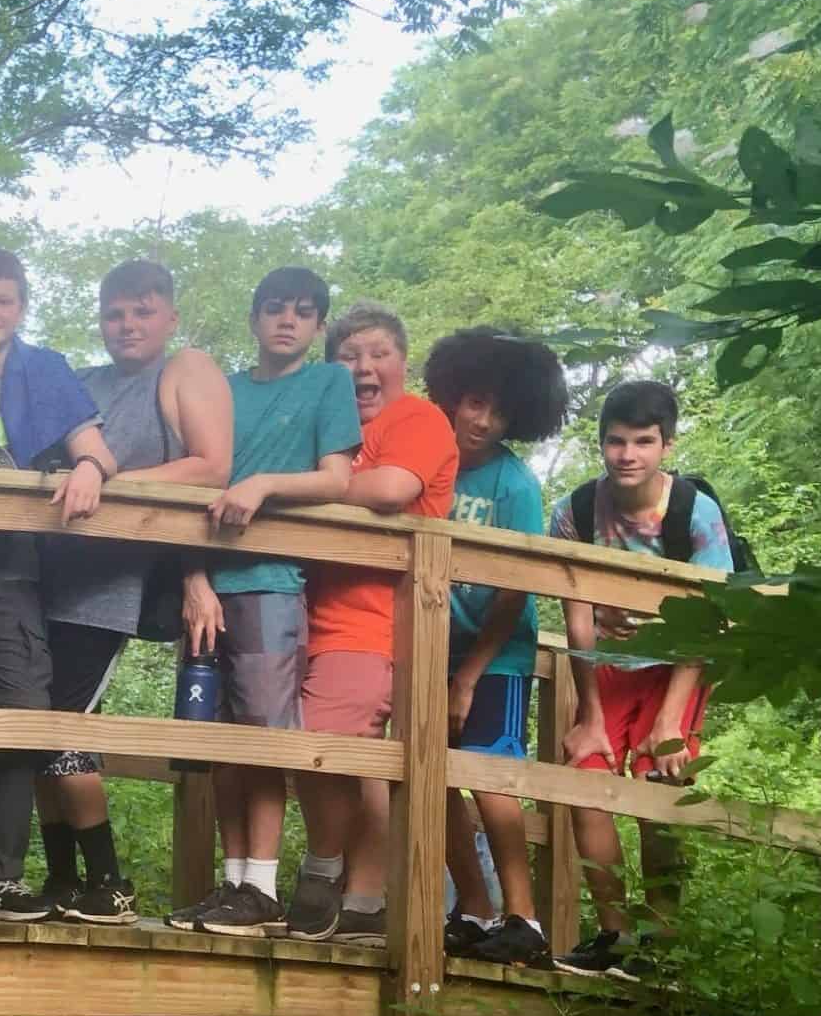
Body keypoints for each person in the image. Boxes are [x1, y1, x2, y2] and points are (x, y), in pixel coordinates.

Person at [36, 259, 232, 925]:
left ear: (170, 317)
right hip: (41, 576)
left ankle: (110, 882)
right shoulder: (82, 383)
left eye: (143, 310)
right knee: (34, 731)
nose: (127, 324)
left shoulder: (182, 370)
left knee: (62, 731)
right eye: (115, 312)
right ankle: (62, 879)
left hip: (108, 586)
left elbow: (211, 467)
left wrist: (105, 483)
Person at [0, 246, 114, 923]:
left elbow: (95, 447)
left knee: (24, 709)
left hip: (11, 564)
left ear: (21, 307)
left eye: (2, 300)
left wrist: (87, 467)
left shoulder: (46, 370)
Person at [178, 266, 359, 937]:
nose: (288, 320)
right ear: (254, 318)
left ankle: (262, 883)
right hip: (204, 587)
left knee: (263, 736)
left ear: (316, 327)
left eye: (305, 312)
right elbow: (193, 486)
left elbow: (337, 478)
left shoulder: (327, 382)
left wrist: (263, 484)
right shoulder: (220, 391)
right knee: (220, 741)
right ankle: (232, 883)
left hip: (272, 583)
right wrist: (191, 577)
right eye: (276, 309)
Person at [284, 304, 457, 947]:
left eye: (378, 353)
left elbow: (389, 489)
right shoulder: (327, 428)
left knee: (325, 743)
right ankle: (363, 904)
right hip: (308, 615)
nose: (363, 367)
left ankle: (324, 868)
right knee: (363, 766)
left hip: (378, 621)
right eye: (349, 355)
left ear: (402, 362)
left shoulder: (417, 418)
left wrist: (299, 486)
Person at [549, 379, 733, 981]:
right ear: (601, 444)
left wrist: (670, 721)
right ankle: (615, 935)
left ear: (667, 445)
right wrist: (589, 713)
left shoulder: (694, 514)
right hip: (609, 662)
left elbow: (708, 617)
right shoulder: (575, 511)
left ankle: (663, 943)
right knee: (585, 780)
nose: (628, 455)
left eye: (644, 442)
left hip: (678, 659)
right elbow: (575, 615)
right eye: (616, 441)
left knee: (661, 780)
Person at [422, 328, 569, 969]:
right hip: (430, 647)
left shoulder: (514, 483)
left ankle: (524, 916)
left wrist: (469, 676)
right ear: (453, 396)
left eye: (500, 411)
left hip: (497, 655)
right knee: (432, 778)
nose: (482, 420)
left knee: (490, 776)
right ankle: (475, 907)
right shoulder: (429, 465)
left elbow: (516, 588)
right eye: (474, 402)